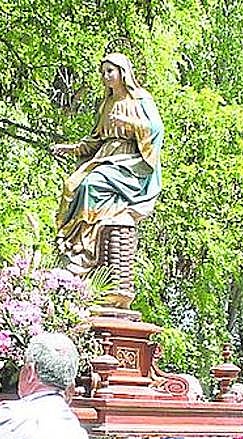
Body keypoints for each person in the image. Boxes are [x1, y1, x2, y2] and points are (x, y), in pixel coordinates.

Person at [52, 53, 162, 281]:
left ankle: (87, 248)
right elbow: (96, 138)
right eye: (102, 72)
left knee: (92, 184)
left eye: (110, 71)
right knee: (72, 185)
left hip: (130, 160)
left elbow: (155, 129)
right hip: (105, 156)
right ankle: (78, 247)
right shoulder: (107, 104)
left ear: (123, 73)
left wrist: (130, 124)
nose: (105, 76)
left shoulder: (140, 98)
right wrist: (72, 148)